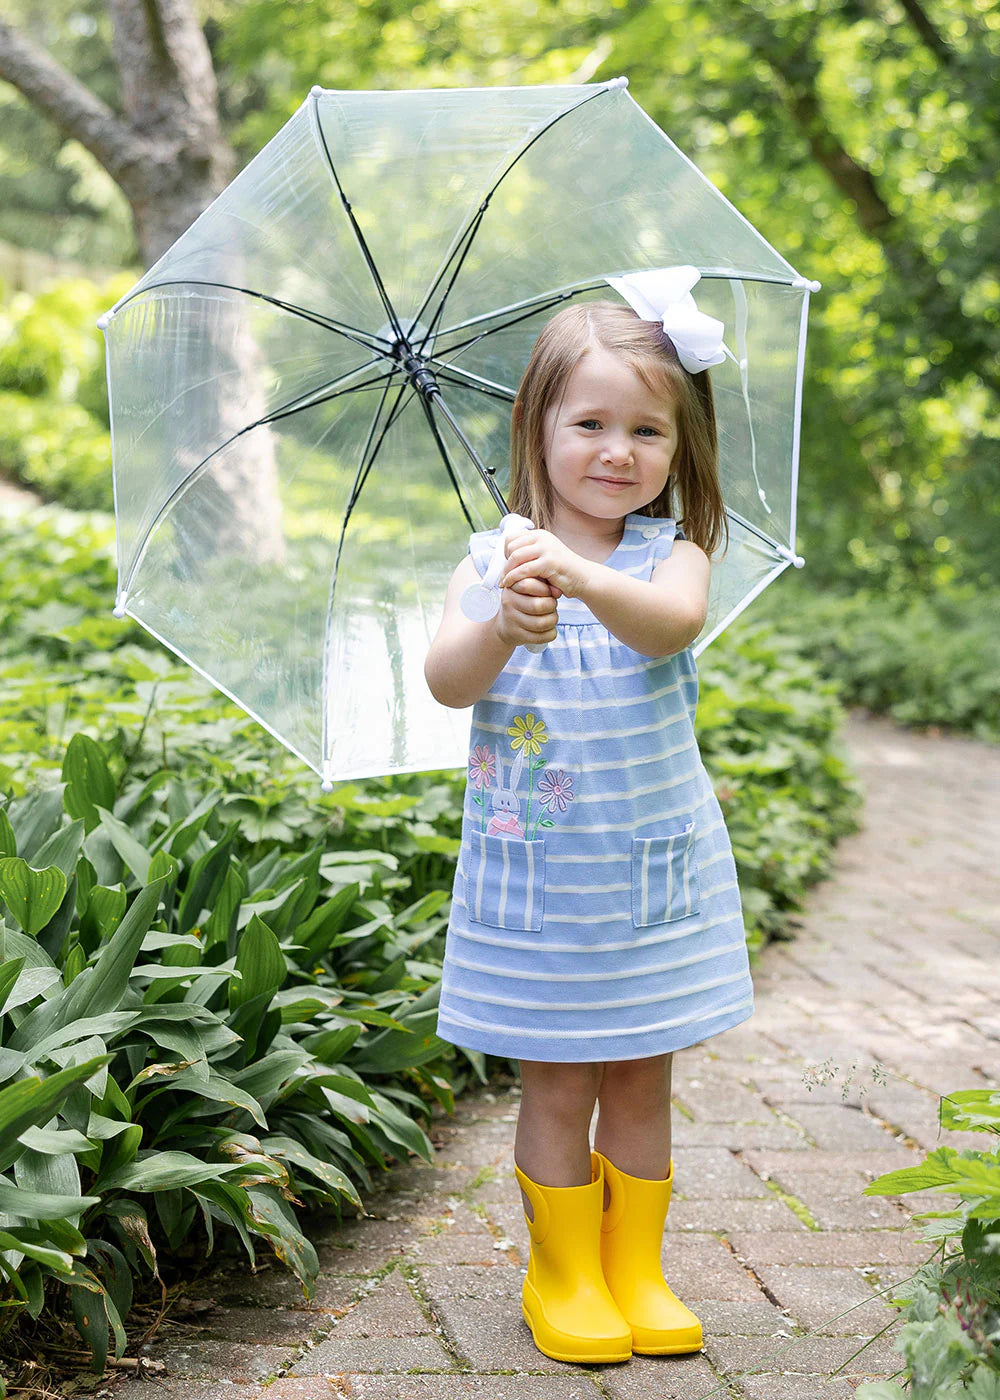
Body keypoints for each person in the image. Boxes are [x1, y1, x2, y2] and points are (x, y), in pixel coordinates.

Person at [424, 291, 754, 1366]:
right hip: (540, 882)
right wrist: (500, 620)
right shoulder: (492, 566)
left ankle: (635, 1264)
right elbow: (444, 680)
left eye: (646, 429)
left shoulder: (672, 555)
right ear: (538, 428)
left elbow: (671, 629)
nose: (617, 450)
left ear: (678, 443)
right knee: (559, 1078)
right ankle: (561, 1269)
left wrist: (581, 578)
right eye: (590, 424)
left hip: (645, 872)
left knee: (641, 1076)